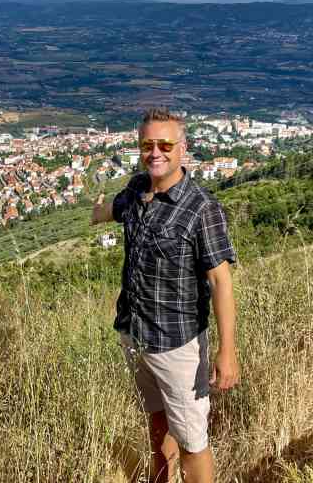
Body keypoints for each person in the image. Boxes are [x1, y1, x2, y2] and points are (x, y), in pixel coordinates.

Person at [91, 108, 239, 483]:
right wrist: (98, 213)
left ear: (182, 148)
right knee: (156, 424)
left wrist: (227, 351)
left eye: (165, 144)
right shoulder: (137, 188)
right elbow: (117, 210)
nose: (155, 152)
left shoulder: (201, 210)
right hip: (135, 335)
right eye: (147, 144)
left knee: (192, 440)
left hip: (178, 346)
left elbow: (221, 282)